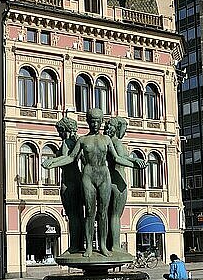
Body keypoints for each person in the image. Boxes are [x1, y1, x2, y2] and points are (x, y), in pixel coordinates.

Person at [42, 108, 146, 257]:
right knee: (90, 213)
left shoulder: (107, 139)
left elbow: (117, 158)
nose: (95, 124)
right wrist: (52, 162)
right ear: (88, 122)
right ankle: (89, 246)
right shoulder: (83, 140)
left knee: (103, 213)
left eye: (97, 121)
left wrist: (134, 162)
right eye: (92, 121)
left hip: (104, 177)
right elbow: (71, 158)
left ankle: (103, 245)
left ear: (101, 122)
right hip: (88, 177)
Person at [104, 116, 134, 252]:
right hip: (118, 181)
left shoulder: (107, 142)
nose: (125, 132)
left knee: (109, 215)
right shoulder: (116, 142)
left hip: (109, 181)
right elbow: (119, 159)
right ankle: (116, 245)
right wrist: (134, 163)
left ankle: (109, 244)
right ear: (118, 128)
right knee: (115, 216)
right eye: (124, 128)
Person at [55, 117, 84, 253]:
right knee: (78, 215)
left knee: (73, 216)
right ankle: (79, 245)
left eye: (59, 131)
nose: (59, 134)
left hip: (69, 181)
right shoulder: (77, 142)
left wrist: (52, 162)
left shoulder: (67, 143)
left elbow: (67, 159)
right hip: (78, 180)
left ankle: (74, 246)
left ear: (64, 130)